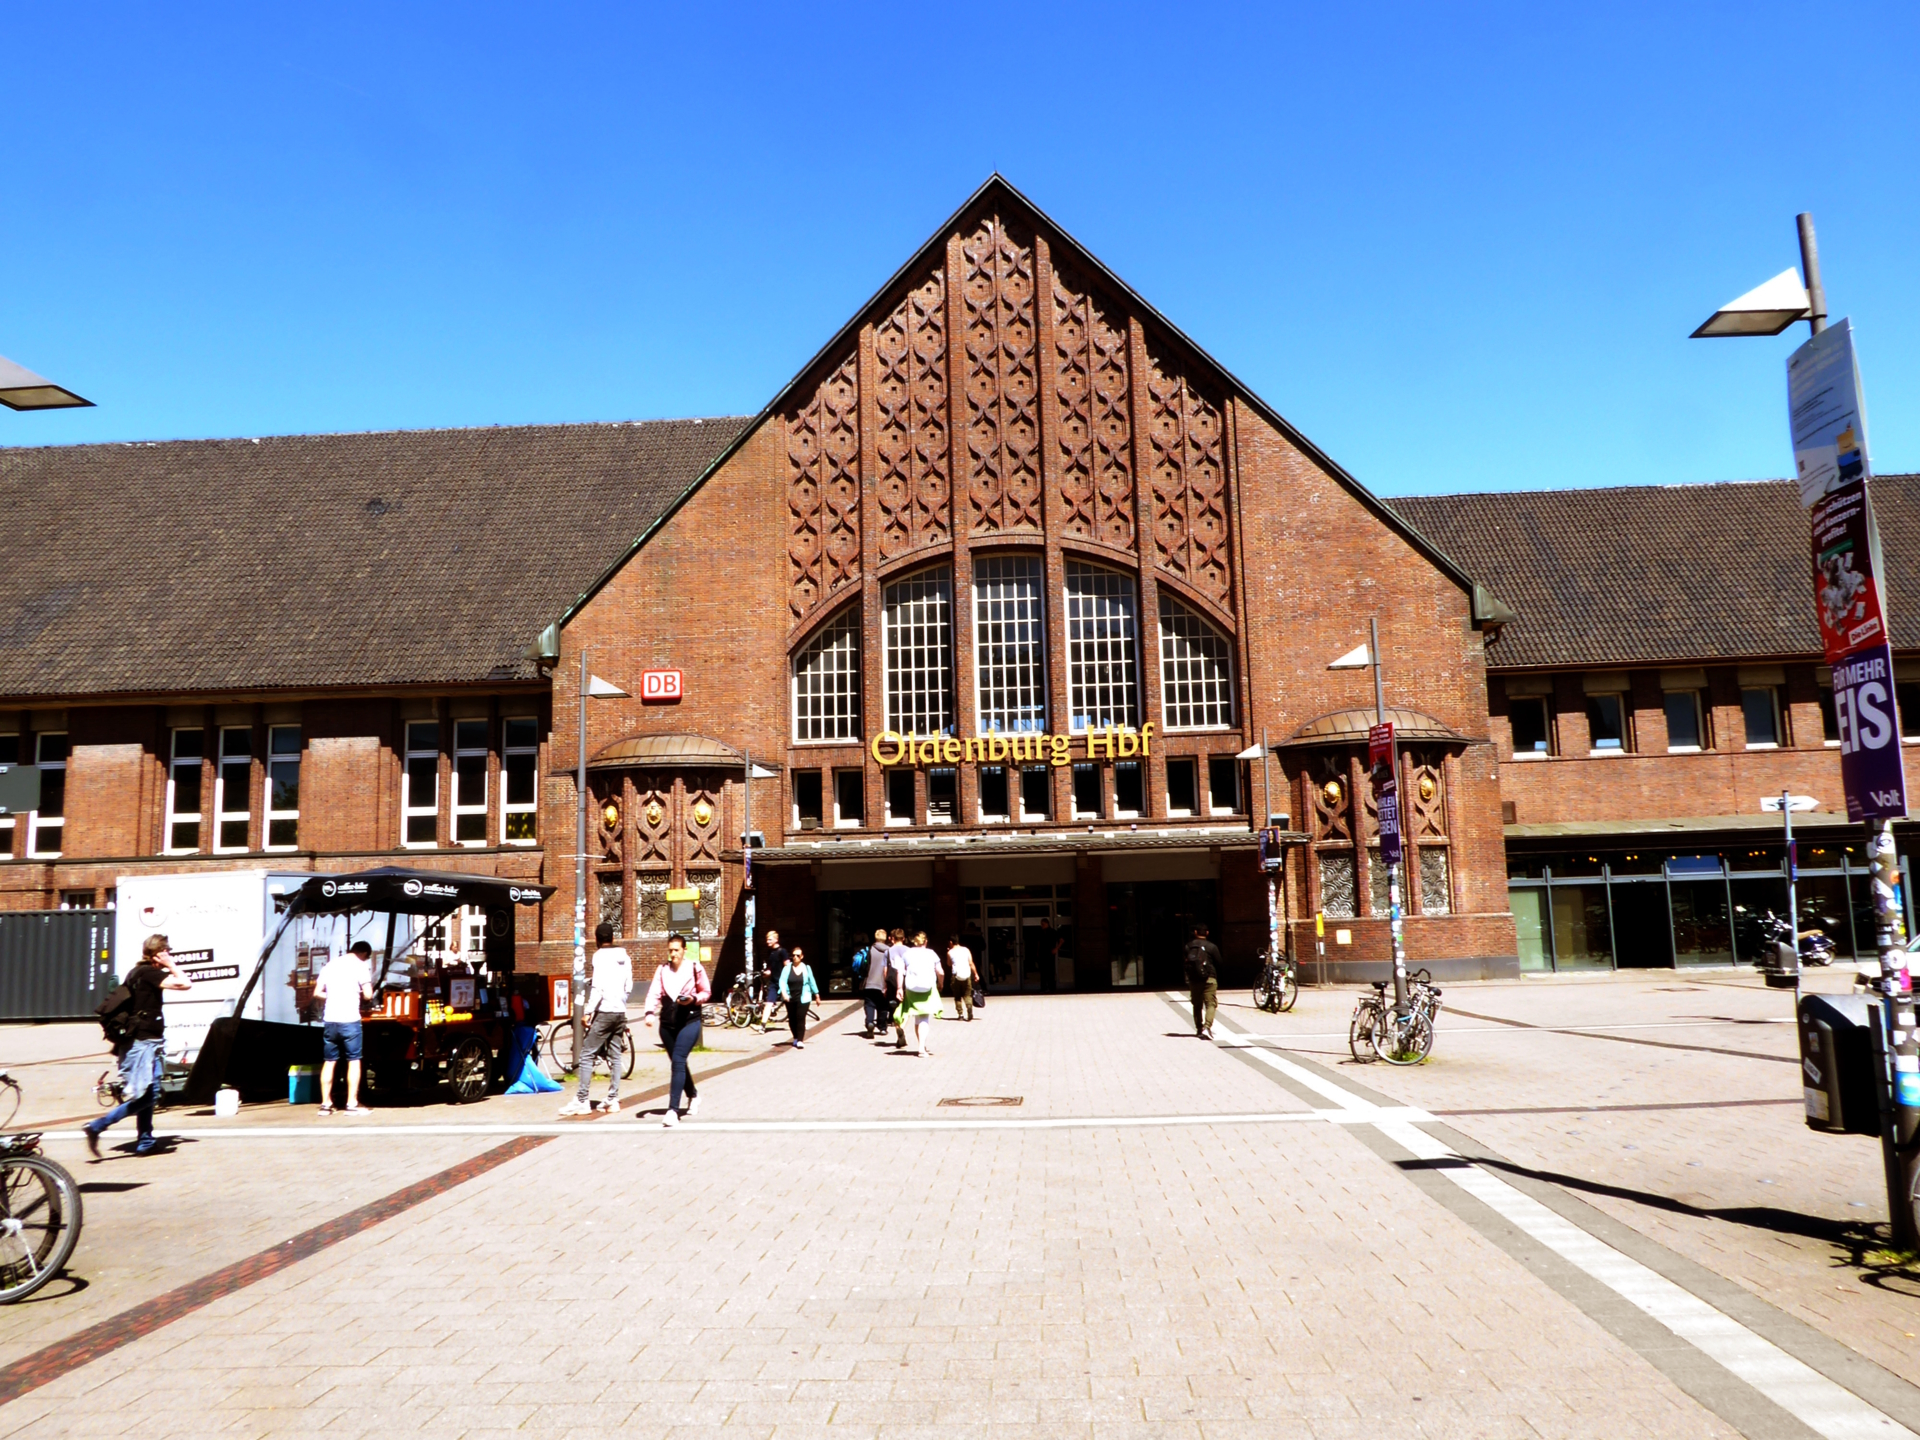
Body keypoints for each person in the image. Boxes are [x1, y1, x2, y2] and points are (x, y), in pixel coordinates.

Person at [85, 934, 191, 1157]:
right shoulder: (149, 972)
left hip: (145, 1040)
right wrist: (171, 964)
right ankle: (98, 1125)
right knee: (149, 1096)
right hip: (143, 1042)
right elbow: (185, 983)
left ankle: (145, 1141)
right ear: (157, 954)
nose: (169, 954)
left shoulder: (136, 972)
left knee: (148, 1092)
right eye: (166, 951)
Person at [559, 922, 633, 1117]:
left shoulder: (599, 956)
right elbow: (629, 986)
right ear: (613, 938)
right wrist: (620, 1002)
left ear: (598, 939)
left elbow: (598, 987)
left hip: (605, 1012)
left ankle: (582, 1100)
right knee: (615, 1054)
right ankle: (613, 1099)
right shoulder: (625, 956)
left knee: (586, 1054)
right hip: (620, 1012)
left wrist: (588, 1011)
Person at [642, 933, 710, 1127]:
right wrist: (649, 1013)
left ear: (684, 950)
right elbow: (654, 992)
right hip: (667, 1025)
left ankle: (673, 1110)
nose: (673, 954)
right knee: (679, 1063)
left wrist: (694, 999)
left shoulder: (695, 968)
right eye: (670, 950)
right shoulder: (662, 970)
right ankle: (694, 1095)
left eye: (676, 950)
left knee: (678, 1061)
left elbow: (706, 991)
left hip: (689, 1021)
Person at [314, 939, 375, 1115]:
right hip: (350, 1020)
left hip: (330, 1020)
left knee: (329, 1061)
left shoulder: (329, 965)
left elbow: (317, 993)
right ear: (364, 954)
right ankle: (352, 1104)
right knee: (353, 1060)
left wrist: (334, 996)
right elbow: (369, 995)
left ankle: (325, 1105)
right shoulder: (360, 966)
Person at [897, 931, 943, 1055]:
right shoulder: (931, 954)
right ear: (926, 942)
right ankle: (921, 1048)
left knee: (917, 1017)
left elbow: (900, 972)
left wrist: (899, 988)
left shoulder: (907, 953)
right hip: (927, 988)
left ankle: (921, 1044)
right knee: (923, 1018)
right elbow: (941, 972)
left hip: (911, 988)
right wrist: (941, 983)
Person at [1183, 923, 1222, 1039]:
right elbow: (1219, 962)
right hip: (1209, 978)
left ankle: (1199, 1029)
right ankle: (1207, 1026)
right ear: (1207, 933)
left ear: (1195, 933)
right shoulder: (1212, 947)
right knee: (1210, 1003)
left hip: (1194, 980)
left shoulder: (1189, 946)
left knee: (1197, 1004)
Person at [777, 944, 821, 1048]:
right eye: (793, 955)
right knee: (792, 1019)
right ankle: (795, 1037)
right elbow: (782, 981)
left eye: (797, 955)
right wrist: (784, 993)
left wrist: (817, 995)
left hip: (804, 997)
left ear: (802, 957)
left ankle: (800, 1040)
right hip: (790, 997)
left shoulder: (806, 968)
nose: (795, 957)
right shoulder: (787, 968)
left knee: (800, 1018)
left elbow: (812, 981)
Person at [859, 927, 889, 1037]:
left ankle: (870, 1022)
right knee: (883, 1006)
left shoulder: (869, 950)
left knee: (869, 1004)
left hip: (869, 983)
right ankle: (882, 1027)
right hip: (883, 984)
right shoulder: (889, 951)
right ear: (885, 938)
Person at [760, 928, 790, 1028]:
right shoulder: (770, 952)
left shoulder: (782, 951)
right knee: (768, 1003)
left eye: (770, 939)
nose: (767, 941)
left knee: (789, 1004)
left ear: (776, 940)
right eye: (767, 939)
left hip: (783, 982)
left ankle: (799, 1023)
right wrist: (768, 972)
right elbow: (771, 967)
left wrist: (788, 979)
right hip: (773, 982)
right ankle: (763, 1025)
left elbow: (787, 966)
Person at [885, 927, 909, 1048]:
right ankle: (902, 1027)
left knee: (893, 1007)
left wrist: (885, 984)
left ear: (893, 938)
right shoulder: (909, 950)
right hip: (905, 979)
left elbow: (885, 969)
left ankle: (898, 1028)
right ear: (904, 938)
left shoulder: (888, 951)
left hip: (892, 979)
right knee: (906, 1007)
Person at [945, 935, 976, 1021]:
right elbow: (971, 963)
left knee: (957, 996)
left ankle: (960, 1014)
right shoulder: (966, 950)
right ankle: (969, 1006)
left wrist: (949, 954)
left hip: (956, 976)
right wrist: (976, 974)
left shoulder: (950, 952)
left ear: (951, 942)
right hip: (966, 975)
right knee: (967, 994)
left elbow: (949, 964)